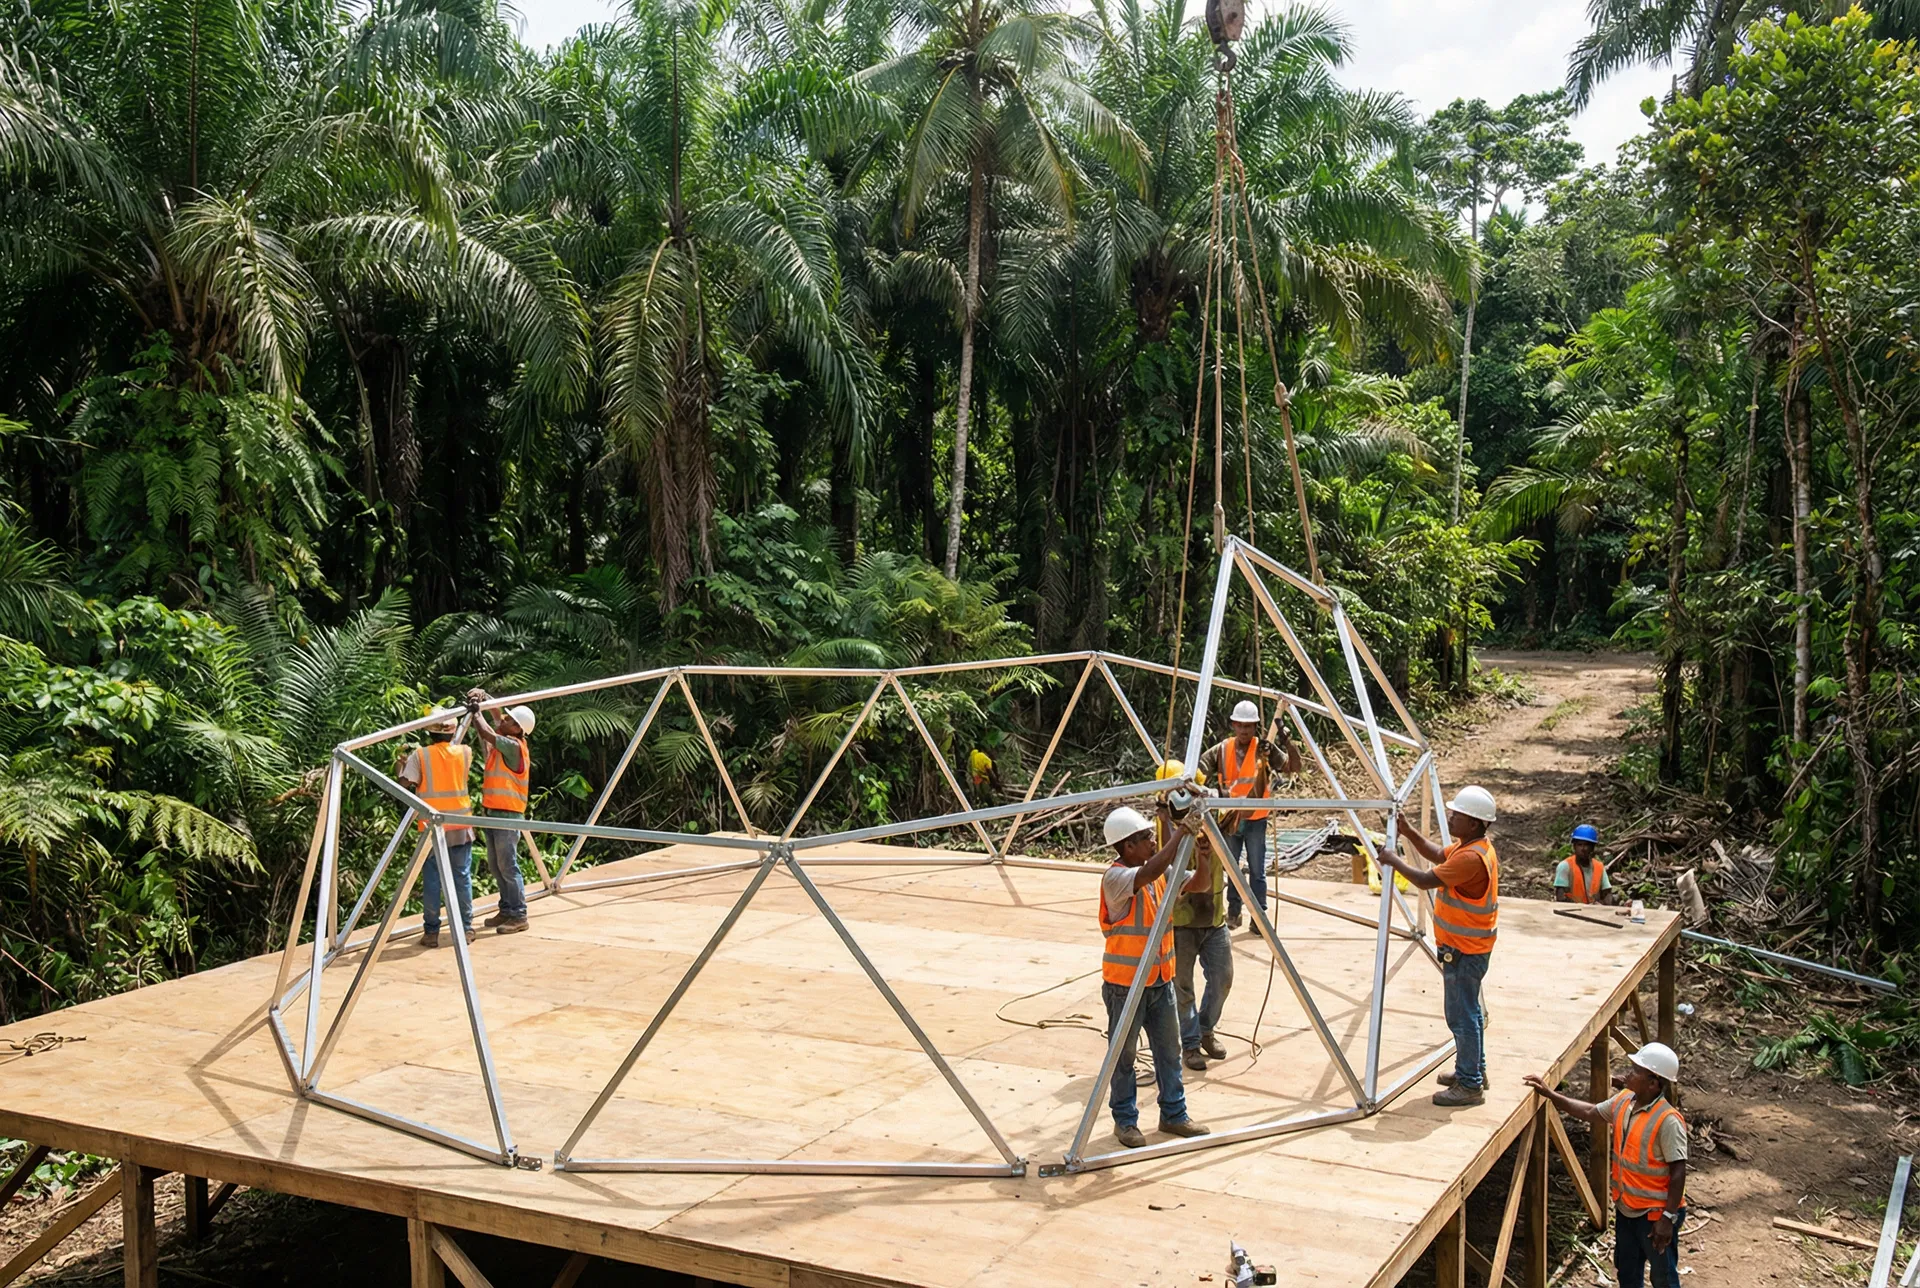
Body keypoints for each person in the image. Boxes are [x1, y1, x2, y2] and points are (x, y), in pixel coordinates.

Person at [1524, 1043, 1687, 1288]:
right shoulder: (1624, 1102)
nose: (1629, 1073)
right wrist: (1552, 1095)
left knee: (1663, 1279)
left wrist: (1667, 1218)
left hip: (1655, 1215)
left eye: (1636, 1071)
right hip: (1627, 1209)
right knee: (1627, 1273)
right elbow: (1590, 1111)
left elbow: (1678, 1172)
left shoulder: (1668, 1121)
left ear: (1653, 1084)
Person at [1099, 804, 1212, 1149]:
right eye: (1146, 837)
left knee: (1169, 1051)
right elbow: (1149, 872)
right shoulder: (1116, 878)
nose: (1153, 841)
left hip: (1161, 981)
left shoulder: (1159, 874)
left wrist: (1203, 855)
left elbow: (1200, 884)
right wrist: (1181, 833)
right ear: (1128, 846)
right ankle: (1125, 1121)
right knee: (1124, 1056)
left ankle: (1174, 1114)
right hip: (1126, 985)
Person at [1378, 785, 1499, 1107]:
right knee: (1470, 1013)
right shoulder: (1472, 847)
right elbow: (1435, 854)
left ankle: (1470, 1085)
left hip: (1465, 950)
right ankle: (1473, 1071)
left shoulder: (1471, 858)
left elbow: (1424, 880)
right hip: (1468, 946)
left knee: (1461, 1016)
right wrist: (1408, 831)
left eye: (1457, 815)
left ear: (1473, 823)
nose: (1451, 818)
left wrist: (1392, 860)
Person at [1196, 699, 1301, 930]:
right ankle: (1234, 913)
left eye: (1249, 726)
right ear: (1233, 725)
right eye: (1240, 725)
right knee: (1231, 868)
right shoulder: (1222, 749)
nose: (1244, 730)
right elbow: (1199, 771)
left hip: (1255, 819)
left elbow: (1294, 767)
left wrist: (1287, 742)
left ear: (1255, 726)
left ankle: (1259, 917)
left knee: (1257, 871)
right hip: (1231, 818)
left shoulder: (1265, 749)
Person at [1157, 761, 1231, 1072]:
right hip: (1182, 920)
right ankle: (1190, 1045)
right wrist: (1166, 818)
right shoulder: (1164, 822)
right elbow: (1164, 856)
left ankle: (1205, 1030)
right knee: (1182, 986)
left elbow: (1232, 808)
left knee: (1222, 978)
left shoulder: (1210, 814)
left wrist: (1206, 798)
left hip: (1213, 915)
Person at [396, 712, 476, 948]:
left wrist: (401, 768)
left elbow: (405, 783)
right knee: (461, 877)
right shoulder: (465, 752)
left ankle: (431, 932)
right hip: (460, 823)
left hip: (433, 826)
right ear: (453, 731)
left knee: (432, 879)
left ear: (429, 732)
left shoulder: (420, 755)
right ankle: (465, 928)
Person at [466, 689, 537, 935]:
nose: (503, 720)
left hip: (508, 815)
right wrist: (485, 698)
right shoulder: (507, 741)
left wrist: (476, 712)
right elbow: (496, 719)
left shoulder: (513, 746)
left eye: (509, 720)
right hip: (494, 812)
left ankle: (518, 914)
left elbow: (487, 731)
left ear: (518, 729)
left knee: (508, 865)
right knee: (497, 866)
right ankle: (506, 909)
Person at [1555, 823, 1613, 905]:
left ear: (1592, 848)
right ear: (1574, 846)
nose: (1583, 848)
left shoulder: (1599, 867)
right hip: (1571, 910)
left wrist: (1602, 905)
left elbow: (1607, 894)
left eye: (1586, 845)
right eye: (1580, 845)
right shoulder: (1565, 866)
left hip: (1595, 911)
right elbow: (1560, 898)